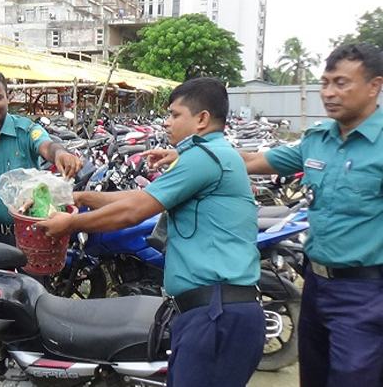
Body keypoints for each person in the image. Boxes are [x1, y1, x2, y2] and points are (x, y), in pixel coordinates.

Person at [38, 77, 265, 387]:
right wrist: (81, 198)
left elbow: (134, 211)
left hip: (215, 314)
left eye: (174, 114)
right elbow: (139, 198)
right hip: (210, 311)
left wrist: (71, 223)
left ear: (202, 119)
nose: (167, 122)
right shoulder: (208, 155)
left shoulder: (203, 158)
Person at [237, 43, 383, 387]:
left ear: (374, 86)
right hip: (315, 286)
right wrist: (189, 154)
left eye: (341, 83)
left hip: (365, 294)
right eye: (325, 82)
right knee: (312, 378)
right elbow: (254, 162)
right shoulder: (317, 140)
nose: (329, 93)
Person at [0, 69, 83, 250]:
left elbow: (46, 146)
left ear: (8, 97)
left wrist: (60, 154)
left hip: (33, 232)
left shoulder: (27, 130)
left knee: (33, 279)